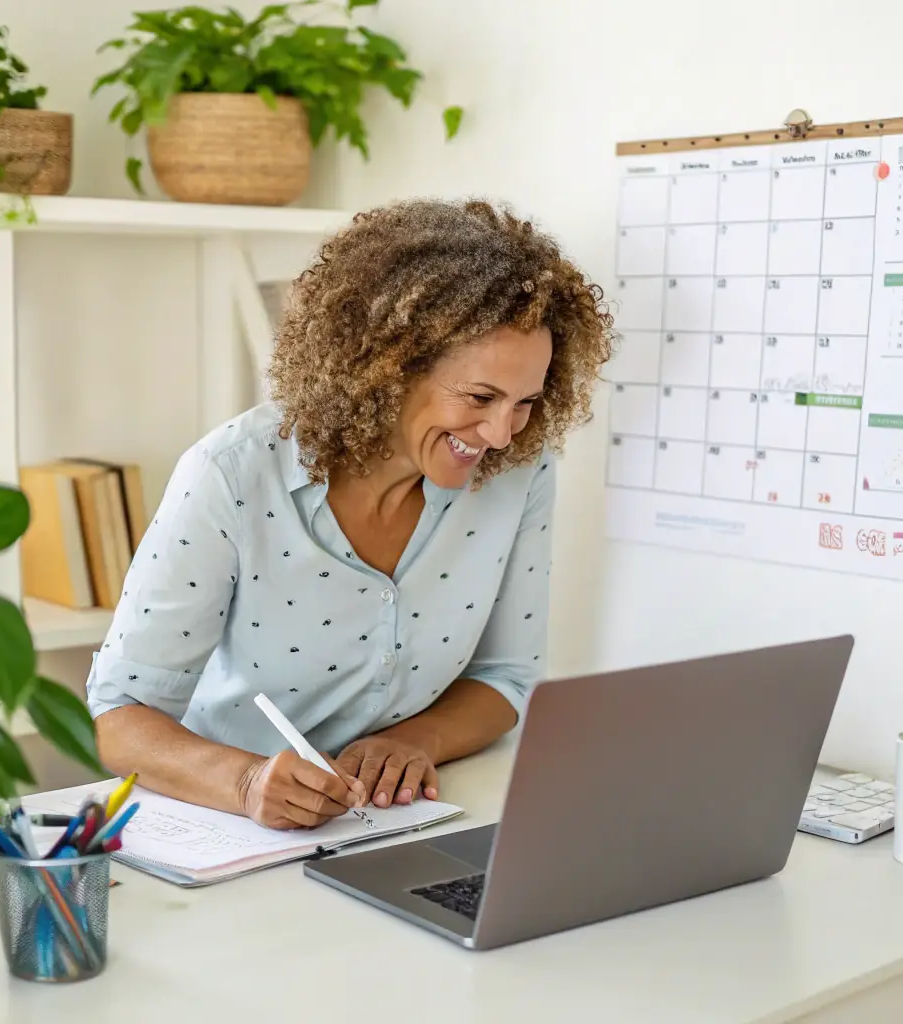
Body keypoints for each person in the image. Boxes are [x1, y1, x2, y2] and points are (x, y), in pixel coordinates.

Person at [87, 198, 615, 830]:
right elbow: (122, 717)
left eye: (526, 401)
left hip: (398, 818)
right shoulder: (232, 476)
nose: (502, 433)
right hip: (229, 824)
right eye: (480, 397)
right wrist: (247, 781)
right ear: (388, 369)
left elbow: (506, 679)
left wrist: (418, 741)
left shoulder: (519, 475)